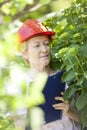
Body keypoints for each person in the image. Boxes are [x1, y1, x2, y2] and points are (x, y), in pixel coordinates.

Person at [16, 19, 81, 130]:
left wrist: (70, 112)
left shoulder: (67, 77)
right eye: (37, 46)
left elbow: (84, 119)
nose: (44, 49)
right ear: (24, 53)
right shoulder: (19, 85)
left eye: (46, 44)